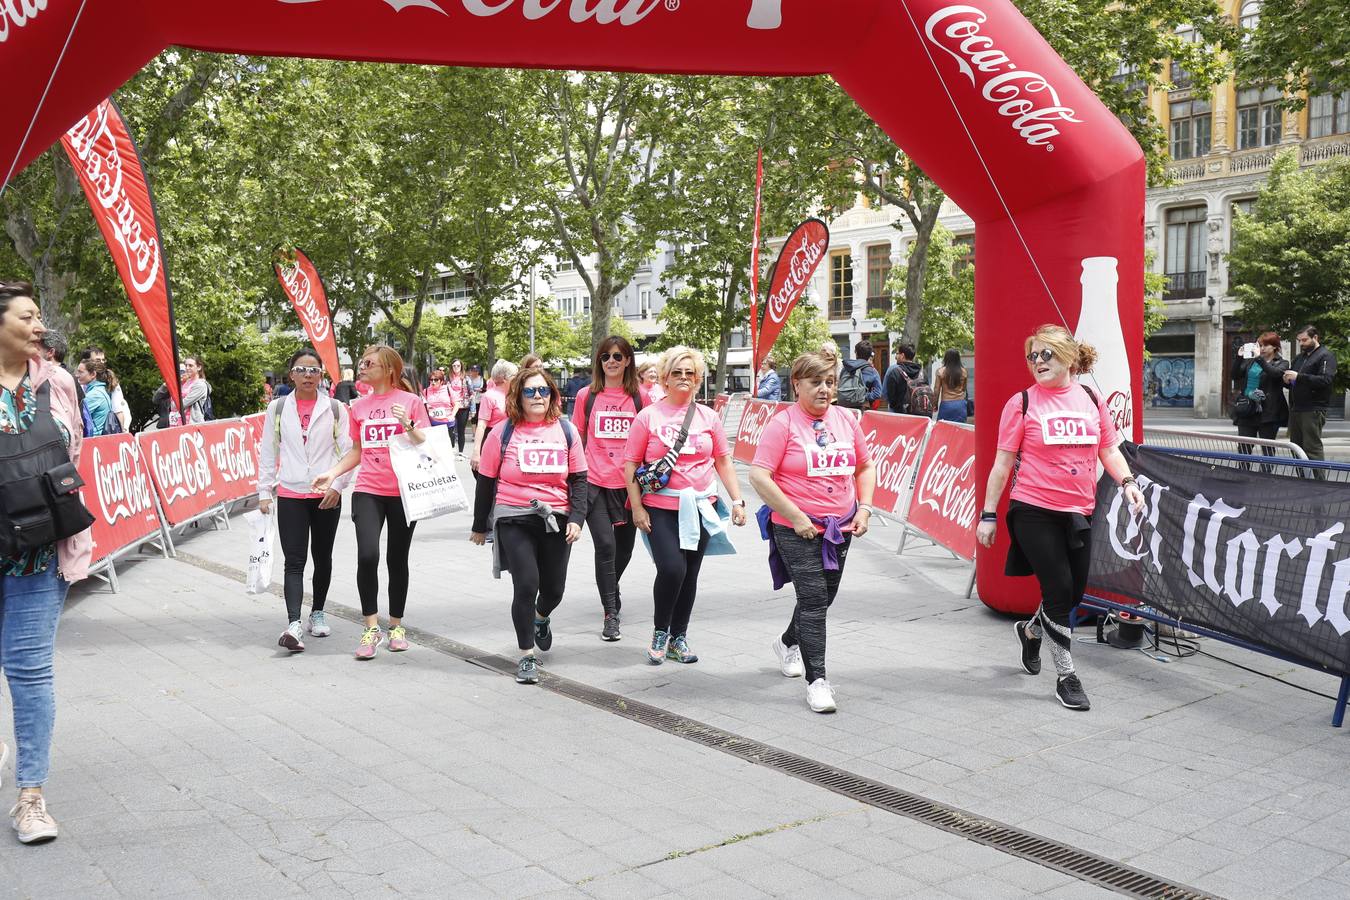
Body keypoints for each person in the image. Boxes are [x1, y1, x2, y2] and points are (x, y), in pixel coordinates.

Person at [976, 324, 1144, 712]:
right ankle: (1067, 675)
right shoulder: (1021, 403)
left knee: (1072, 592)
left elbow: (1110, 450)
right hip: (1033, 509)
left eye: (1045, 354)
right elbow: (1002, 465)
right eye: (1032, 356)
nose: (1037, 362)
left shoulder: (1090, 398)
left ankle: (1033, 631)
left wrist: (1128, 482)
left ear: (1068, 357)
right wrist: (988, 515)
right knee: (1058, 589)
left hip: (1078, 510)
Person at [0, 280, 93, 844]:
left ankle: (31, 796)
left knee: (30, 671)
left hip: (38, 553)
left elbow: (73, 452)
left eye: (40, 318)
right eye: (27, 317)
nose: (40, 327)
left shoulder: (57, 383)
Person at [750, 352, 876, 713]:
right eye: (816, 383)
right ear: (797, 384)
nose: (824, 390)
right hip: (796, 528)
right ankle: (817, 681)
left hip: (841, 527)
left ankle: (788, 641)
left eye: (830, 382)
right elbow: (760, 476)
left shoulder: (847, 420)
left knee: (822, 598)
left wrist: (865, 509)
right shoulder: (783, 424)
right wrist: (795, 515)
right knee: (815, 598)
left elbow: (865, 466)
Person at [624, 346, 747, 665]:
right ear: (663, 379)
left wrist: (737, 500)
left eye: (689, 373)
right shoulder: (647, 416)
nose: (683, 378)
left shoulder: (708, 416)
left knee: (690, 574)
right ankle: (660, 631)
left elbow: (723, 460)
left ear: (698, 380)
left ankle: (679, 636)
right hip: (660, 508)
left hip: (702, 507)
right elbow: (630, 465)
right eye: (676, 373)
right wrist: (637, 507)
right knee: (672, 569)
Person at [313, 345, 429, 660]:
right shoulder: (359, 406)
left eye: (369, 363)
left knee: (397, 559)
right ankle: (370, 628)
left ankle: (396, 626)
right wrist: (332, 473)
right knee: (368, 555)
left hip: (404, 491)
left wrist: (408, 424)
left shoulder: (411, 402)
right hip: (368, 489)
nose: (362, 367)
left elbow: (427, 444)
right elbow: (356, 451)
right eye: (362, 363)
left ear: (389, 369)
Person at [471, 368, 586, 684]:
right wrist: (480, 525)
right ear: (517, 396)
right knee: (526, 585)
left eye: (544, 391)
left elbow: (579, 478)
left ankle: (540, 618)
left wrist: (576, 518)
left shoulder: (566, 431)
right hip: (514, 518)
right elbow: (487, 480)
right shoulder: (502, 432)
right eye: (530, 391)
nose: (538, 397)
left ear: (553, 395)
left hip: (556, 518)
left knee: (554, 590)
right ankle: (526, 657)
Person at [258, 348, 352, 653]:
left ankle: (318, 612)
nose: (308, 375)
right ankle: (293, 623)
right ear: (291, 374)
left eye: (313, 370)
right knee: (294, 561)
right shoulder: (278, 408)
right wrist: (263, 492)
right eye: (301, 370)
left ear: (321, 375)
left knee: (322, 557)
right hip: (291, 493)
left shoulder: (336, 408)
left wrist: (337, 486)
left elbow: (349, 452)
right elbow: (268, 451)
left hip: (326, 495)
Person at [573, 336, 648, 641]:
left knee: (625, 550)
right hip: (595, 483)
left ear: (628, 360)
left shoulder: (641, 398)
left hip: (629, 486)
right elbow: (576, 437)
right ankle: (610, 613)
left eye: (618, 356)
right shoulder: (585, 396)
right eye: (605, 357)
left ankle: (610, 586)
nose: (612, 361)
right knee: (605, 546)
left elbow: (650, 439)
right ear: (599, 362)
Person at [1283, 325, 1338, 463]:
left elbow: (1325, 380)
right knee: (1296, 449)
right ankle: (1303, 481)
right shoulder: (1299, 358)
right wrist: (1286, 380)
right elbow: (1294, 382)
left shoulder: (1325, 355)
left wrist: (1298, 377)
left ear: (1315, 337)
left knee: (1311, 448)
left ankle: (1318, 483)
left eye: (1304, 340)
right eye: (1299, 340)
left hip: (1313, 408)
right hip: (1297, 408)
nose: (1301, 343)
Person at [1231, 333, 1288, 462]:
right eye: (1260, 345)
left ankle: (1265, 477)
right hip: (1247, 409)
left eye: (1265, 345)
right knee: (1244, 448)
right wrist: (1239, 357)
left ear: (1275, 347)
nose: (1261, 348)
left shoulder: (1281, 363)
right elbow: (1235, 375)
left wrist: (1259, 358)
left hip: (1268, 412)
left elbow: (1274, 374)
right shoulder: (1251, 361)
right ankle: (1243, 475)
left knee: (1267, 449)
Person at [471, 359, 518, 473]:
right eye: (515, 375)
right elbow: (481, 425)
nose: (518, 378)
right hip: (493, 438)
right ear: (504, 378)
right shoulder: (489, 396)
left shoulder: (516, 395)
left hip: (513, 439)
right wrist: (477, 452)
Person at [78, 346, 130, 431]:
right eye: (98, 360)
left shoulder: (110, 383)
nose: (102, 363)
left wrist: (121, 434)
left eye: (103, 360)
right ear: (85, 361)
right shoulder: (80, 382)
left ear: (93, 374)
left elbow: (118, 410)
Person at [838, 340, 883, 409]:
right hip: (862, 407)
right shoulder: (872, 371)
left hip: (844, 407)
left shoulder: (846, 367)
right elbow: (878, 393)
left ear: (856, 353)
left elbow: (840, 384)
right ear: (869, 355)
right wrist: (863, 397)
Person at [74, 359, 114, 436]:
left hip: (93, 441)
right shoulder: (99, 391)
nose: (77, 375)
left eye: (80, 372)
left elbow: (76, 417)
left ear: (93, 374)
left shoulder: (95, 395)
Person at [882, 344, 923, 415]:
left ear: (902, 355)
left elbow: (886, 393)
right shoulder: (922, 372)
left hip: (898, 413)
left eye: (897, 354)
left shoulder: (894, 371)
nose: (896, 357)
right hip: (918, 413)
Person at [935, 349, 969, 423]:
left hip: (946, 404)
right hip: (960, 404)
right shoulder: (964, 371)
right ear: (958, 358)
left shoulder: (940, 371)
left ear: (946, 358)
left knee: (943, 429)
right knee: (959, 429)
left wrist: (935, 404)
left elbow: (936, 390)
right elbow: (964, 389)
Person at [422, 367, 455, 441]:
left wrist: (452, 415)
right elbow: (422, 405)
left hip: (448, 422)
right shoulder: (426, 391)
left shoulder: (448, 389)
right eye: (431, 380)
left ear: (441, 381)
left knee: (448, 446)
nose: (433, 382)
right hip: (433, 423)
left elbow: (457, 404)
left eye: (436, 380)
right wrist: (427, 406)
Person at [447, 359, 471, 455]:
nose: (456, 367)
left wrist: (472, 410)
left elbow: (471, 393)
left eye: (458, 366)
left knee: (461, 430)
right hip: (451, 406)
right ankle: (452, 448)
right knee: (450, 429)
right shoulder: (448, 378)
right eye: (454, 365)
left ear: (461, 367)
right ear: (451, 367)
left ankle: (460, 452)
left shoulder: (466, 378)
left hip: (463, 406)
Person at [181, 355, 212, 423]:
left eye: (190, 365)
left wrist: (174, 403)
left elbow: (182, 404)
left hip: (192, 424)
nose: (187, 368)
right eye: (186, 365)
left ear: (199, 367)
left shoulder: (200, 385)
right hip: (178, 422)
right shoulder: (184, 382)